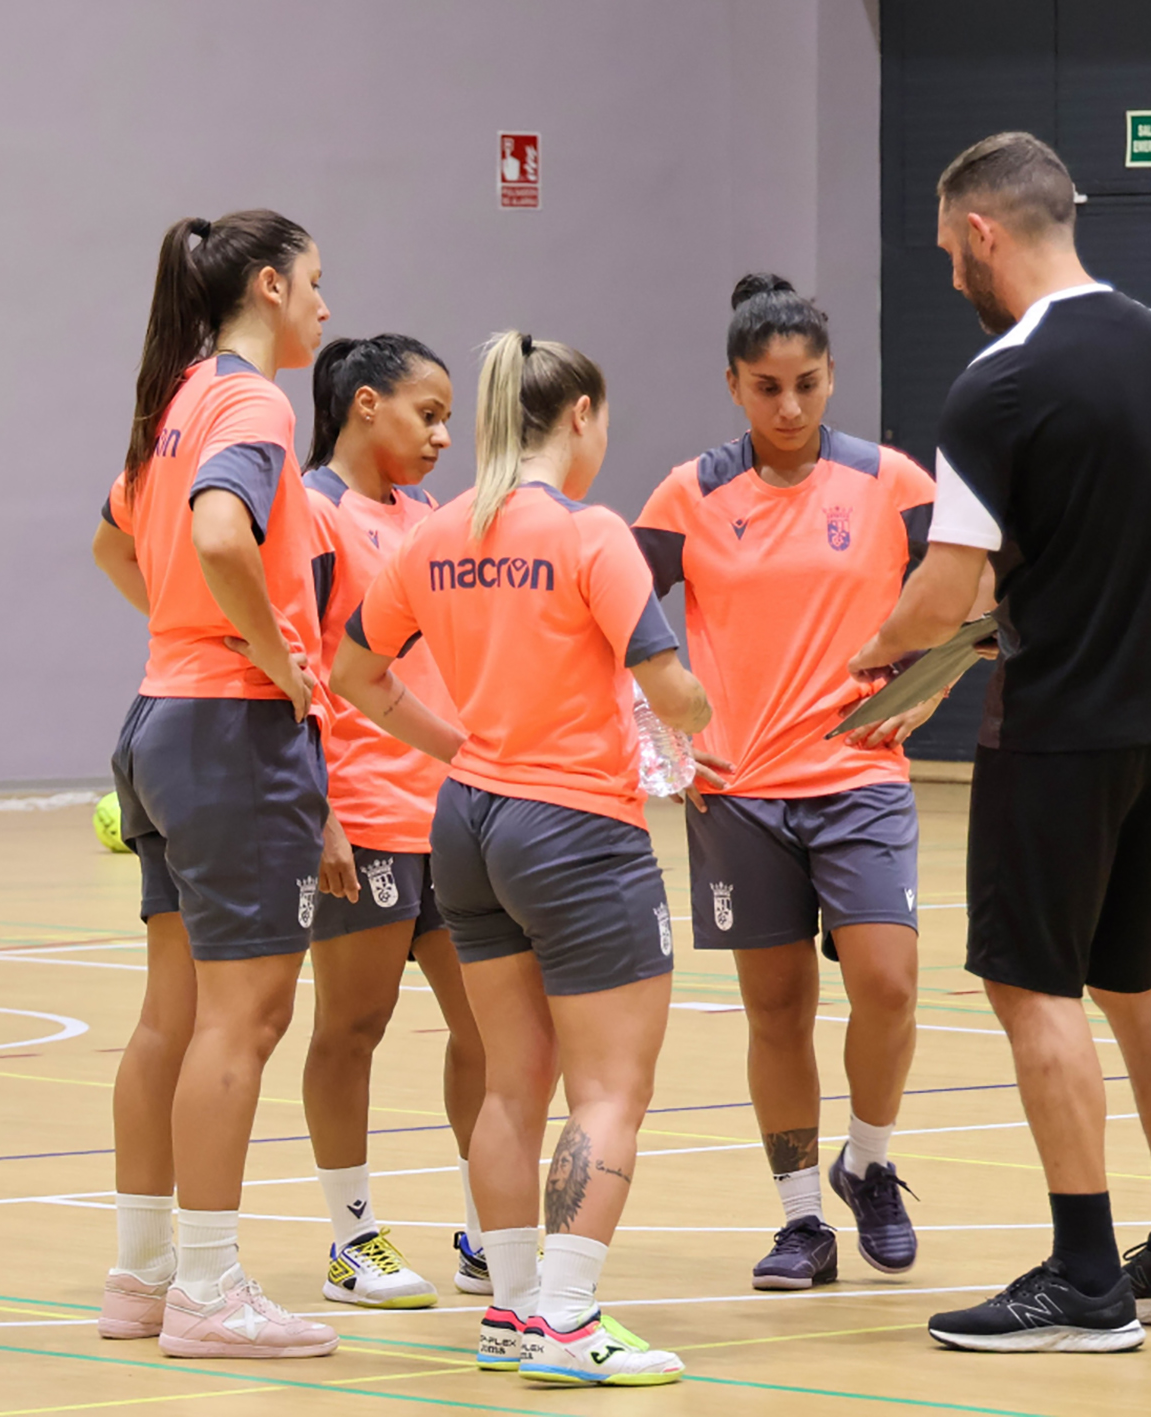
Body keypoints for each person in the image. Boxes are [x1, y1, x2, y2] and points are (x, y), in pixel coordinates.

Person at [849, 132, 1151, 1354]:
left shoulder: (1003, 381)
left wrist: (871, 664)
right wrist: (1110, 608)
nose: (950, 279)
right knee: (1139, 981)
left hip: (1059, 733)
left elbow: (942, 592)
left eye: (946, 252)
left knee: (1034, 989)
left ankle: (1086, 1276)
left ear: (983, 231)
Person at [331, 331, 707, 1387]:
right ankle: (571, 1318)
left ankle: (507, 1312)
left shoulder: (435, 534)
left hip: (467, 823)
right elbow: (671, 690)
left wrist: (457, 747)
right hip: (579, 828)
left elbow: (355, 672)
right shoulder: (592, 533)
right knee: (609, 1089)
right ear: (580, 416)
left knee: (513, 1083)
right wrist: (708, 721)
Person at [632, 275, 939, 1291]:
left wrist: (931, 690)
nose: (791, 407)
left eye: (807, 384)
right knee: (778, 1009)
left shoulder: (892, 482)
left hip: (860, 776)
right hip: (742, 793)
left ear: (831, 375)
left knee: (889, 984)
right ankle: (802, 1219)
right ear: (733, 384)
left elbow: (972, 593)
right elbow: (611, 616)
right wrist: (669, 734)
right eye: (767, 387)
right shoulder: (690, 494)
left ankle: (872, 1162)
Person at [89, 209, 339, 1359]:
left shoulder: (173, 397)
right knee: (247, 1017)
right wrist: (279, 664)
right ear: (273, 286)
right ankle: (208, 1290)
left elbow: (113, 543)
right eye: (319, 286)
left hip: (158, 716)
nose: (326, 310)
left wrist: (194, 637)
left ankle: (141, 1280)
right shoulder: (251, 400)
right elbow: (223, 535)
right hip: (231, 732)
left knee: (171, 1015)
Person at [298, 335, 491, 1307]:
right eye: (428, 414)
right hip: (362, 815)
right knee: (353, 1026)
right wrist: (316, 805)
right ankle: (352, 1239)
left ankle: (484, 1229)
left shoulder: (428, 520)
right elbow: (289, 669)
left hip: (451, 817)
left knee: (490, 1027)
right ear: (366, 405)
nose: (445, 436)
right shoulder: (311, 514)